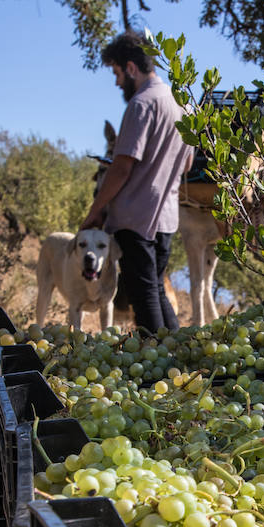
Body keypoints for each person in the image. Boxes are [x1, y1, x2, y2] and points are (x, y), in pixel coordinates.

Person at [81, 29, 194, 332]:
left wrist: (96, 210)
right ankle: (180, 360)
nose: (117, 82)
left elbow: (122, 167)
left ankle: (158, 366)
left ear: (130, 68)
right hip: (166, 220)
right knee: (155, 289)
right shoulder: (182, 106)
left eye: (117, 73)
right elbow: (187, 164)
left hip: (135, 218)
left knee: (144, 296)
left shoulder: (142, 104)